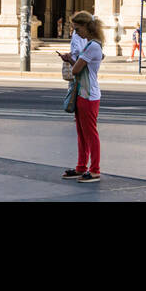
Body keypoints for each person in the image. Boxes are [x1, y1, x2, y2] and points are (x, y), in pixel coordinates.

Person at [59, 11, 105, 182]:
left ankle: (94, 169)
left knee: (90, 133)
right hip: (83, 93)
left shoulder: (92, 46)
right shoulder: (91, 45)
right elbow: (79, 66)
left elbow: (77, 70)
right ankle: (81, 166)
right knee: (82, 133)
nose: (76, 33)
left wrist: (73, 62)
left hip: (89, 95)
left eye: (78, 29)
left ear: (87, 27)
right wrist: (71, 61)